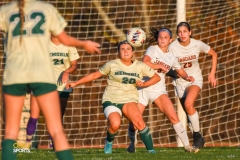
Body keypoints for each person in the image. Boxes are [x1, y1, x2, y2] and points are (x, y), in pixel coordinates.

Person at [0, 0, 100, 160]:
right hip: (42, 75)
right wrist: (84, 43)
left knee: (10, 131)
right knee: (56, 129)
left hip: (14, 74)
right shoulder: (46, 9)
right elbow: (66, 39)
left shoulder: (5, 10)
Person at [66, 40, 162, 154]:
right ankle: (109, 142)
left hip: (129, 100)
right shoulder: (112, 64)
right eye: (122, 49)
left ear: (132, 52)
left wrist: (144, 84)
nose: (125, 51)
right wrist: (76, 83)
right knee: (115, 124)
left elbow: (157, 77)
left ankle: (152, 152)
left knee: (139, 123)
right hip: (111, 99)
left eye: (128, 49)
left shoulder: (140, 66)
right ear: (118, 52)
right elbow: (95, 75)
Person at [126, 27, 196, 153]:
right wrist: (158, 65)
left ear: (170, 40)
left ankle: (187, 146)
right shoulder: (152, 49)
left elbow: (180, 71)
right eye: (160, 37)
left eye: (165, 37)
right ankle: (132, 143)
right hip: (143, 88)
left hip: (158, 90)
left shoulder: (172, 57)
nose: (162, 39)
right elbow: (145, 62)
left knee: (173, 116)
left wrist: (187, 77)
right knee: (134, 122)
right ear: (157, 39)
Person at [168, 22, 217, 152]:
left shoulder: (197, 44)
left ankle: (197, 137)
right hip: (179, 83)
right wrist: (174, 73)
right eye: (179, 32)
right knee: (188, 112)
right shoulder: (172, 47)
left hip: (195, 79)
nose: (182, 34)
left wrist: (212, 74)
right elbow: (166, 67)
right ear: (177, 34)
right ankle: (198, 134)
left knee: (189, 104)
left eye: (185, 31)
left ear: (190, 32)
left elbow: (214, 54)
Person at [26, 35, 80, 149]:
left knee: (56, 118)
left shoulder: (69, 44)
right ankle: (27, 141)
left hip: (61, 87)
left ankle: (53, 144)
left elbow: (74, 65)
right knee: (34, 116)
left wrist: (66, 71)